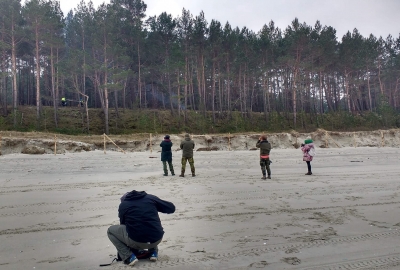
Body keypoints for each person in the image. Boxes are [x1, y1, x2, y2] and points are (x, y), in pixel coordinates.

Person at [107, 190, 175, 266]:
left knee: (110, 231)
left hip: (137, 241)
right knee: (150, 223)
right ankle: (153, 252)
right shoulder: (150, 198)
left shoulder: (124, 205)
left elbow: (123, 224)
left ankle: (128, 257)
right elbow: (171, 208)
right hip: (157, 239)